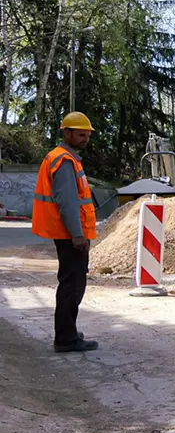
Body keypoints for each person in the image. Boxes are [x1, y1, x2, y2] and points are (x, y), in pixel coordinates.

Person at [31, 112, 98, 352]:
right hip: (71, 235)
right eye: (81, 135)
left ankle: (67, 331)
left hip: (68, 233)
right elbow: (67, 201)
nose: (85, 139)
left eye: (87, 135)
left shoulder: (64, 158)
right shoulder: (64, 161)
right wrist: (77, 234)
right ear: (66, 132)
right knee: (72, 284)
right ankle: (66, 338)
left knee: (71, 282)